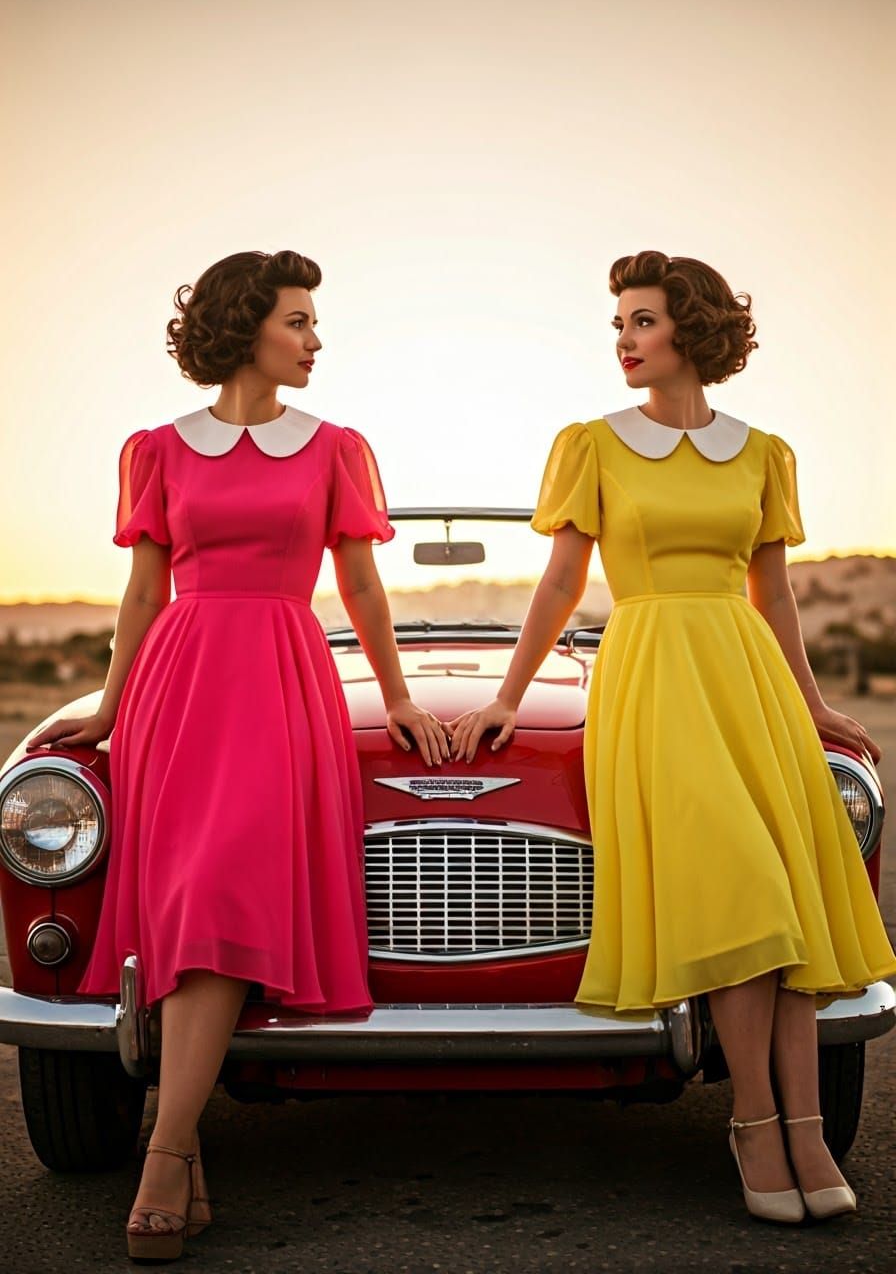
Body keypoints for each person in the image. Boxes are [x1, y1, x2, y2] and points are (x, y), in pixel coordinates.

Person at [448, 250, 896, 1224]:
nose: (623, 342)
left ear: (689, 328)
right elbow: (562, 584)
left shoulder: (763, 450)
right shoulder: (591, 444)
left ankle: (804, 1124)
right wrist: (509, 695)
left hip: (747, 680)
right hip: (652, 675)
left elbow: (768, 591)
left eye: (640, 323)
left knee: (789, 909)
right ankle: (749, 1120)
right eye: (617, 327)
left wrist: (812, 704)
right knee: (742, 889)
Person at [27, 250, 449, 1262]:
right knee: (180, 900)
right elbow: (142, 593)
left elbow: (362, 588)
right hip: (180, 680)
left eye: (314, 321)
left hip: (281, 676)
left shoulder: (334, 446)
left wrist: (392, 694)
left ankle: (167, 1149)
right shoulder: (157, 448)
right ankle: (180, 1150)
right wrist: (112, 708)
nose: (314, 338)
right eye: (298, 320)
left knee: (220, 890)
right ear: (244, 325)